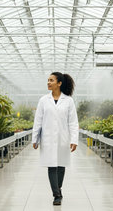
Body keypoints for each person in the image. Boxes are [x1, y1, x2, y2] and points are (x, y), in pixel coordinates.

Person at [32, 72, 79, 206]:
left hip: (63, 138)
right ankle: (56, 195)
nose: (48, 82)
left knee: (61, 165)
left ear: (59, 83)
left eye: (51, 80)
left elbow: (73, 122)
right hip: (47, 138)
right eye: (48, 80)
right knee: (52, 166)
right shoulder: (43, 100)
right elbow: (38, 121)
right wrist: (35, 139)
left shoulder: (68, 101)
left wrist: (74, 140)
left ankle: (58, 188)